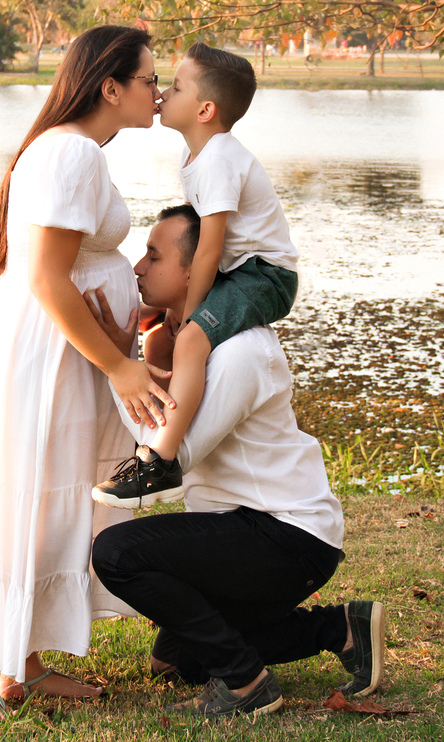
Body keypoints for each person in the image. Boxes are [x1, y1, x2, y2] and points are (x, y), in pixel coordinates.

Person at [0, 25, 173, 720]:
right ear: (111, 86)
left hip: (61, 349)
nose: (159, 92)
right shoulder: (70, 153)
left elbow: (67, 270)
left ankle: (23, 665)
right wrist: (122, 366)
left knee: (51, 497)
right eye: (150, 79)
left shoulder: (75, 152)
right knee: (24, 496)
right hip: (45, 352)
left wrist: (125, 325)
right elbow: (46, 278)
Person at [89, 205, 385, 717]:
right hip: (241, 529)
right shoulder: (183, 344)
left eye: (154, 256)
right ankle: (337, 629)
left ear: (196, 268)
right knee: (178, 663)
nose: (138, 267)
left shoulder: (240, 351)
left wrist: (124, 370)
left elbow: (171, 460)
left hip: (288, 536)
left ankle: (248, 686)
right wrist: (139, 360)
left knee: (117, 553)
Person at [91, 43, 299, 510]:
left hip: (265, 275)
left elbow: (208, 248)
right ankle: (164, 421)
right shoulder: (196, 156)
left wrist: (194, 315)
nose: (163, 91)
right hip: (239, 270)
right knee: (164, 339)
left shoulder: (221, 156)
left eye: (176, 86)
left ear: (205, 109)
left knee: (188, 339)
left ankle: (159, 462)